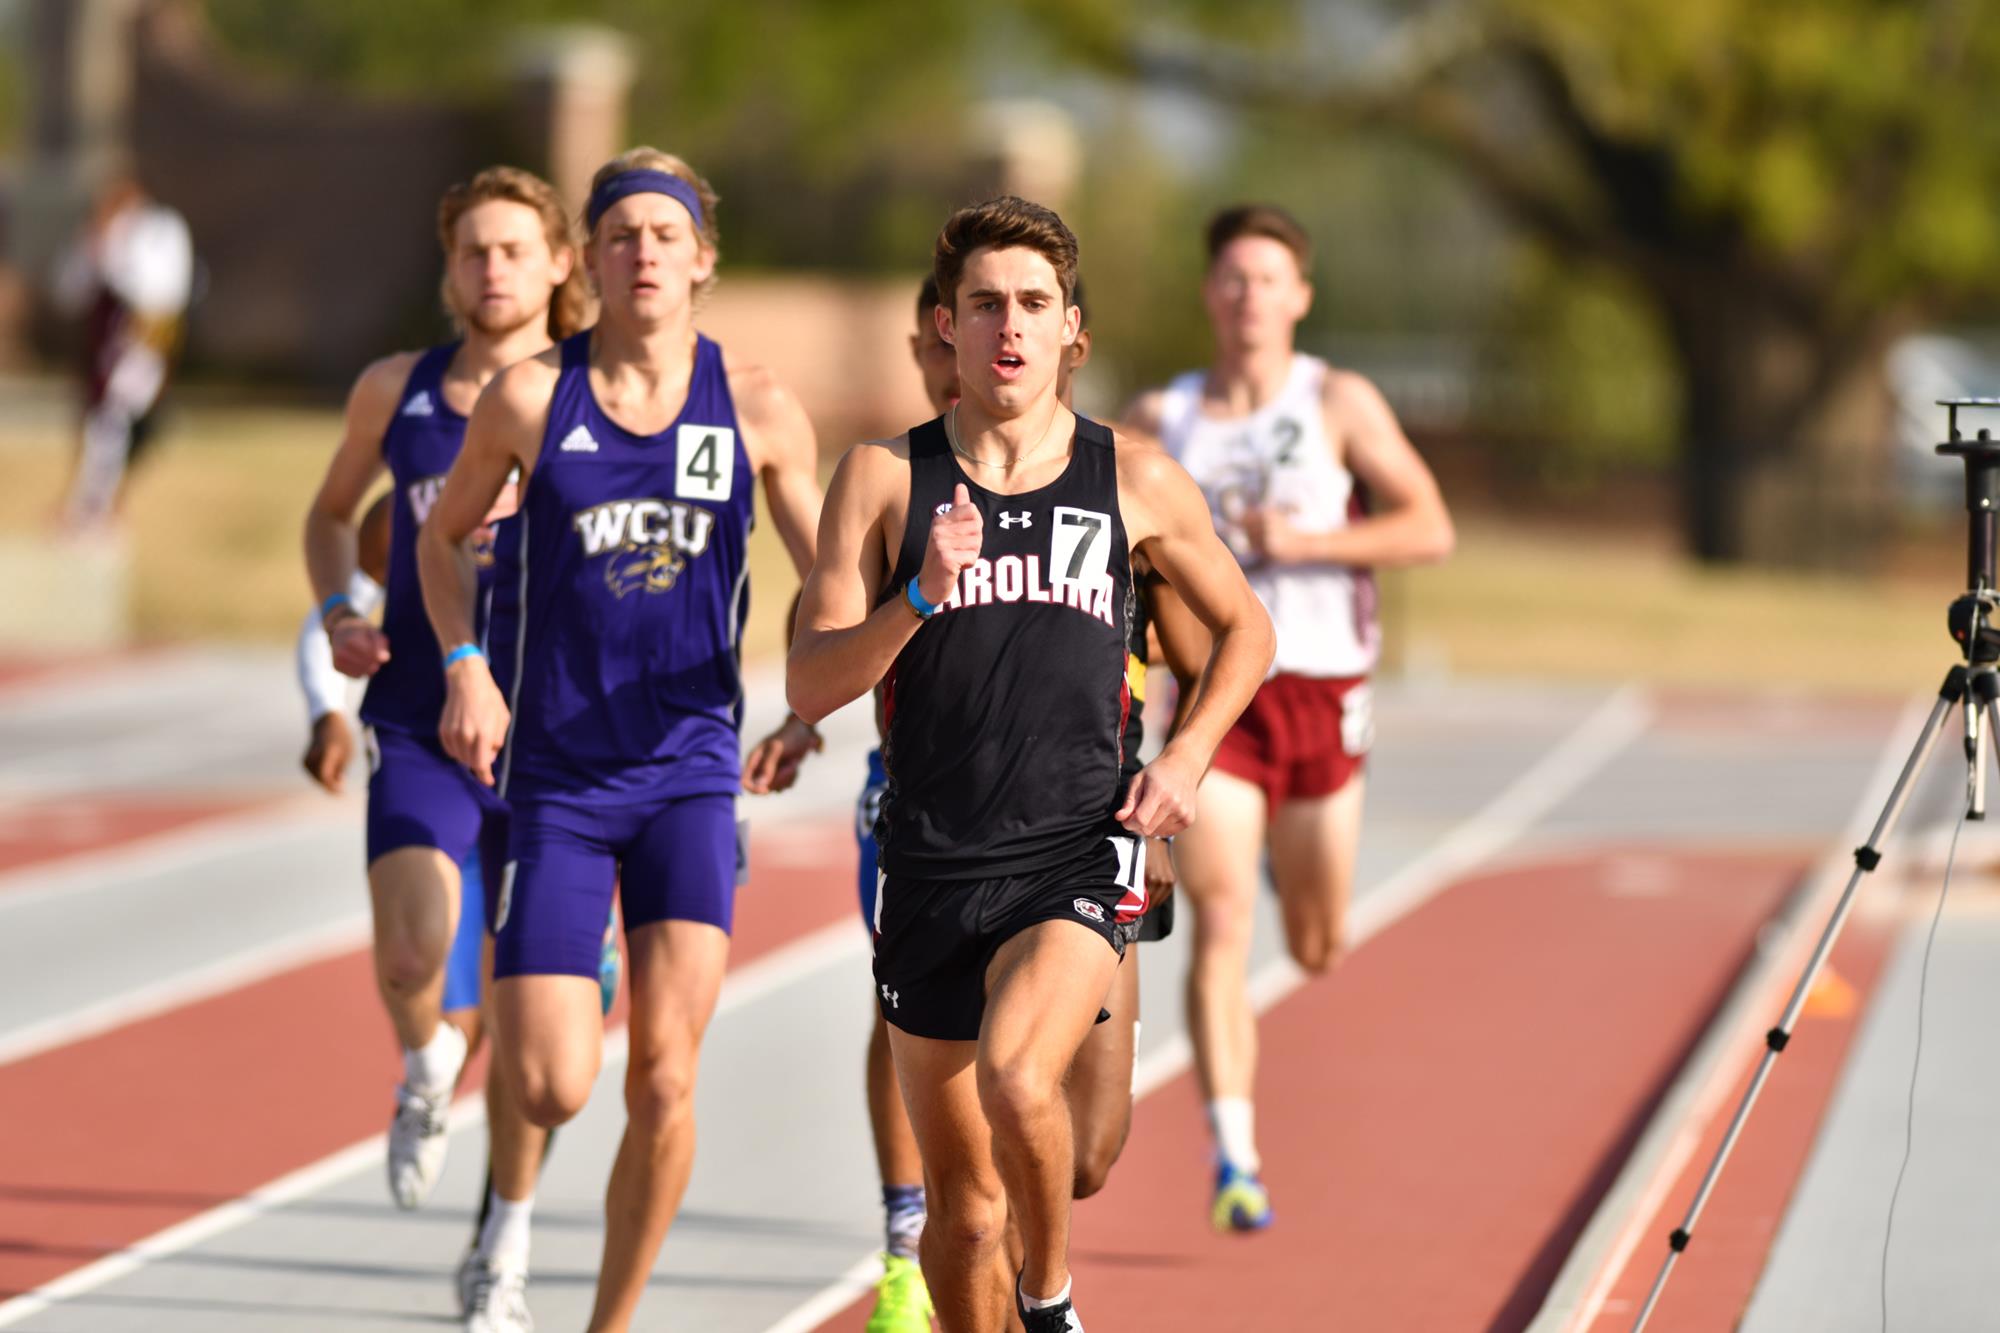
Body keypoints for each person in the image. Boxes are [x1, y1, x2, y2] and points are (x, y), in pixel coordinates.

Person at [789, 195, 1273, 1333]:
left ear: (1072, 333)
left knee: (1029, 1091)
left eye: (1032, 304)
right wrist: (917, 597)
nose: (1008, 325)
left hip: (1076, 846)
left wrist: (1190, 757)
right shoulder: (883, 480)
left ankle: (1049, 1303)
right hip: (929, 861)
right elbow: (812, 682)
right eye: (984, 305)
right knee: (960, 1219)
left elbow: (1246, 631)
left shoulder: (1134, 480)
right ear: (943, 330)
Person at [418, 147, 824, 1333]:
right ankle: (569, 955)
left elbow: (829, 582)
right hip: (555, 779)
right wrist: (463, 668)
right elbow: (442, 544)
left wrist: (806, 704)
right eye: (620, 235)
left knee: (664, 1077)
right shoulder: (533, 398)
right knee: (548, 1082)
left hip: (690, 774)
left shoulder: (753, 406)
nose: (643, 252)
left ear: (702, 259)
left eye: (665, 234)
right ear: (587, 262)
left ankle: (609, 1322)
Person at [1122, 203, 1454, 1231]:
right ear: (1207, 294)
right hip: (1215, 698)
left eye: (1268, 278)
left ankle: (1287, 864)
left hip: (1322, 692)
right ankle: (1235, 1154)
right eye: (1231, 277)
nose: (1248, 295)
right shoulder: (1160, 416)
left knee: (1313, 941)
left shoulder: (1336, 402)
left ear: (1298, 296)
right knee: (1220, 924)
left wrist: (1304, 544)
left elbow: (1427, 526)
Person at [301, 165, 587, 1333]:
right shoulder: (397, 390)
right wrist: (337, 613)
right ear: (449, 264)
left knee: (530, 1034)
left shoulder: (596, 395)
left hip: (565, 741)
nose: (493, 270)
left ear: (559, 262)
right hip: (421, 711)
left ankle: (502, 1250)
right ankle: (424, 1070)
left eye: (515, 249)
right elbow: (329, 514)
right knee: (417, 959)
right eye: (474, 250)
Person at [51, 174, 194, 531]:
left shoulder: (159, 231)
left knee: (119, 419)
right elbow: (70, 288)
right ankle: (93, 506)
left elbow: (157, 290)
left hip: (143, 338)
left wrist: (114, 248)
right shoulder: (98, 234)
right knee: (103, 420)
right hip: (106, 342)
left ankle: (100, 507)